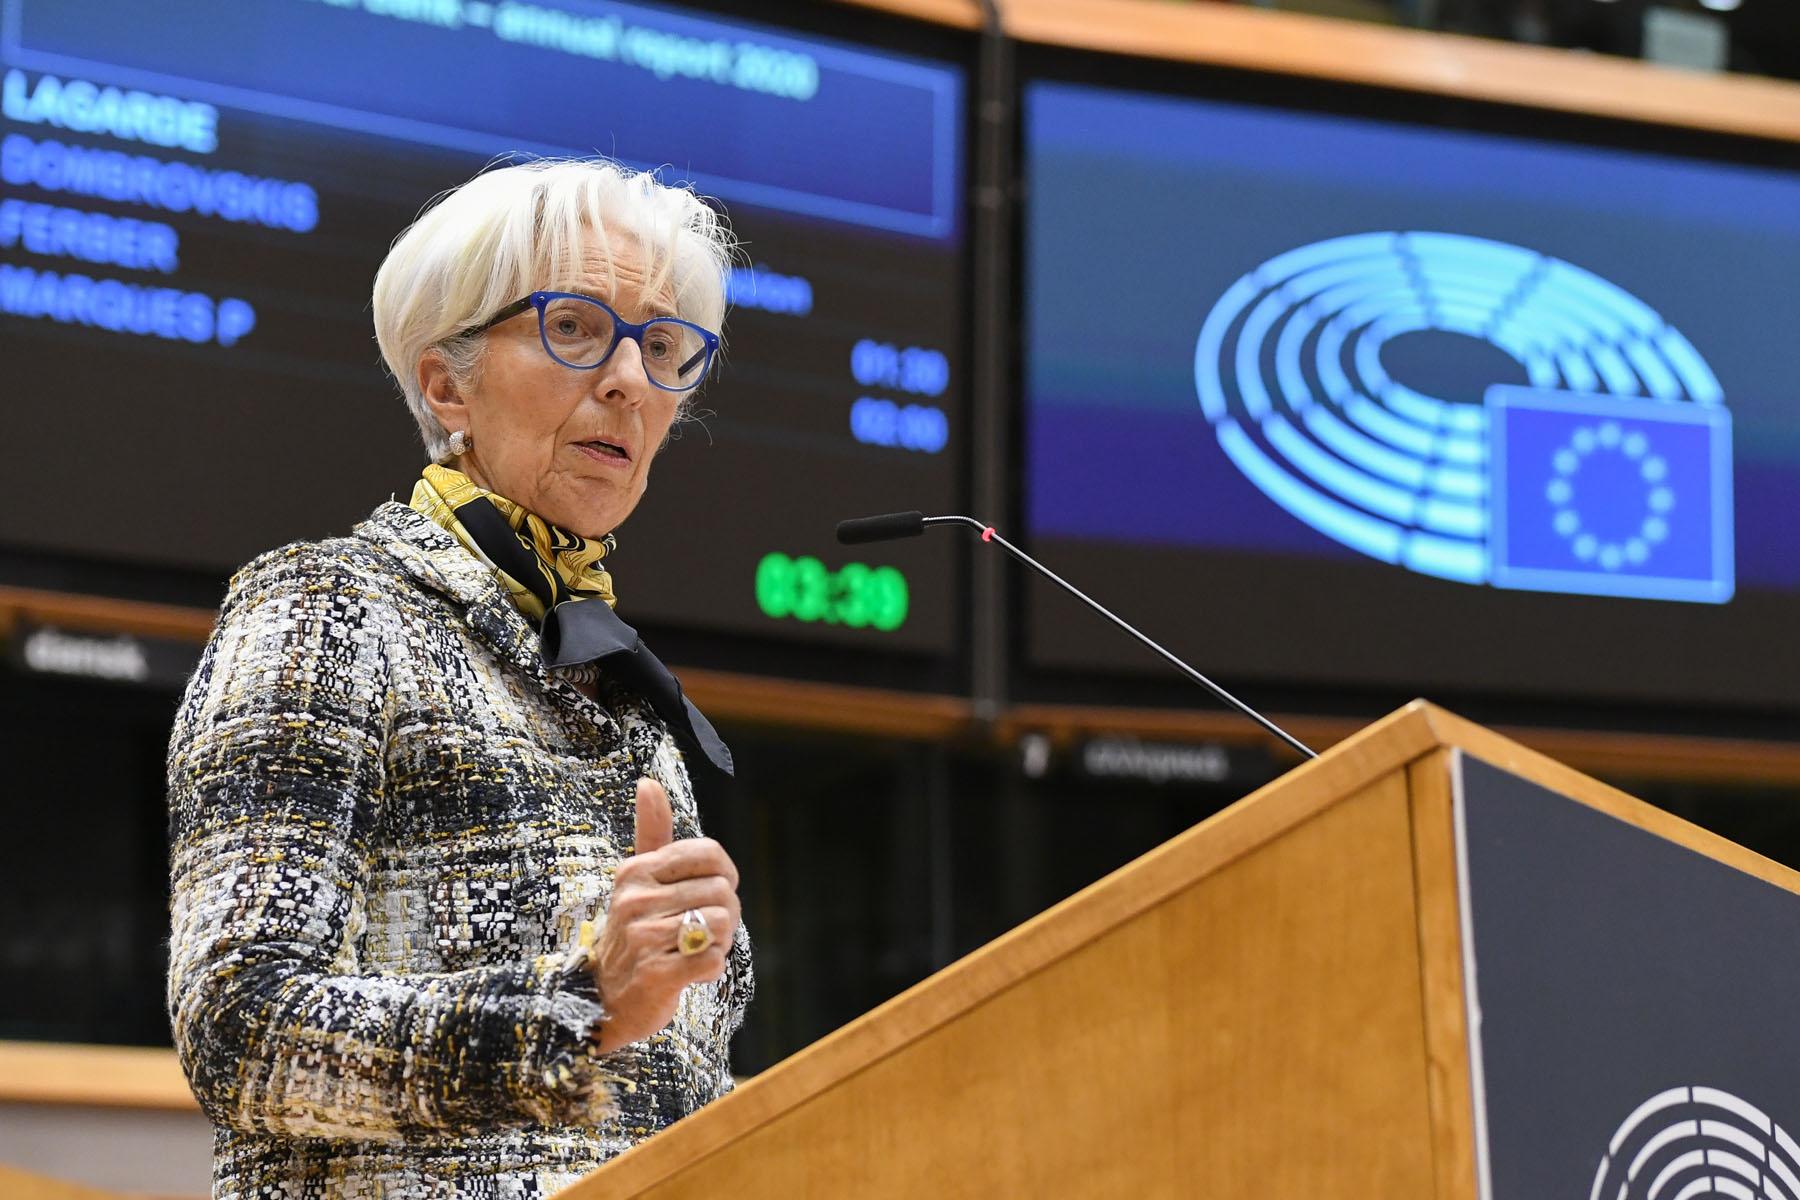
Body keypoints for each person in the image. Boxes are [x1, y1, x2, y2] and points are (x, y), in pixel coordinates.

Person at [166, 158, 752, 1198]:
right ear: (447, 384)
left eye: (662, 347)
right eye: (575, 328)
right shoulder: (331, 608)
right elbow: (238, 1031)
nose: (629, 379)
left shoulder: (625, 702)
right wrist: (576, 1005)